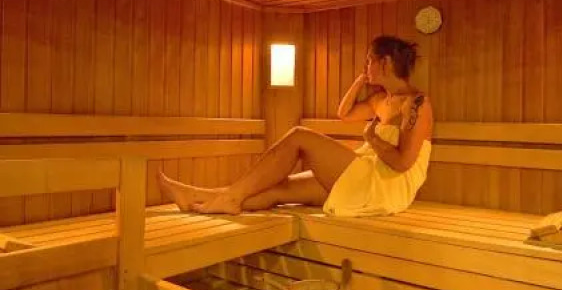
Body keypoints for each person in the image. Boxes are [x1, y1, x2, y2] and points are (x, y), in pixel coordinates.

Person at [158, 35, 433, 216]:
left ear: (385, 62)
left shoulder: (417, 104)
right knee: (278, 189)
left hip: (385, 187)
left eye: (370, 60)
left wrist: (372, 139)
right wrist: (360, 82)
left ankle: (228, 198)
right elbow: (344, 113)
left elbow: (403, 163)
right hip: (366, 175)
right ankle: (194, 198)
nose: (366, 65)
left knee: (299, 136)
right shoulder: (381, 100)